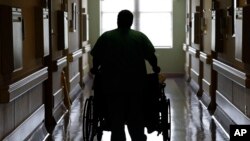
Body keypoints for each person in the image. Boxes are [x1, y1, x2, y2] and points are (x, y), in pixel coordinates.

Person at [90, 9, 160, 141]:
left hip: (111, 84)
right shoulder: (140, 37)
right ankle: (138, 137)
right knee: (136, 115)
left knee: (116, 116)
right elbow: (151, 56)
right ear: (131, 22)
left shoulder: (106, 37)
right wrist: (155, 67)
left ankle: (117, 137)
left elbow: (96, 57)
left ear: (117, 21)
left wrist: (95, 68)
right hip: (136, 84)